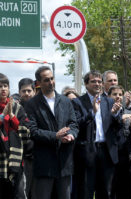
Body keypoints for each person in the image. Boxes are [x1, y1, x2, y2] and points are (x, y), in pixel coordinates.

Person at [25, 66, 79, 199]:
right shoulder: (32, 104)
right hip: (44, 164)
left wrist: (71, 135)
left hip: (64, 162)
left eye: (52, 78)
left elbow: (74, 124)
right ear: (38, 83)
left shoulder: (65, 101)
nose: (51, 82)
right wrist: (55, 136)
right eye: (46, 80)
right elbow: (33, 131)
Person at [71, 70, 122, 199]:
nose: (97, 84)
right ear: (86, 84)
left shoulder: (108, 102)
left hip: (106, 151)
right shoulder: (77, 102)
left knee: (106, 191)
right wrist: (92, 113)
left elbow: (117, 127)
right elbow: (76, 125)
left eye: (99, 81)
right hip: (87, 152)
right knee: (86, 191)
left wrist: (116, 115)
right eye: (93, 81)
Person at [0, 73, 29, 199]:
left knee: (17, 194)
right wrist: (2, 116)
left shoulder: (18, 108)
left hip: (15, 159)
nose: (3, 89)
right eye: (0, 86)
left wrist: (12, 116)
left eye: (5, 86)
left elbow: (25, 132)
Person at [18, 77, 35, 198]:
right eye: (24, 91)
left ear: (34, 91)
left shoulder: (40, 108)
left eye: (29, 90)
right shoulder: (16, 109)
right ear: (19, 92)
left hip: (38, 155)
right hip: (21, 158)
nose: (27, 94)